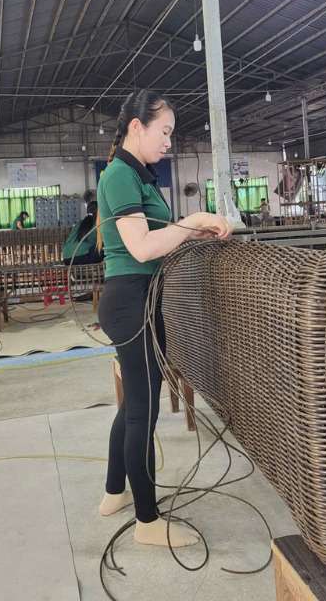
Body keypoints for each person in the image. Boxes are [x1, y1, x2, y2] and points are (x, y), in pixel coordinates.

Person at [95, 90, 232, 547]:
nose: (169, 141)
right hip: (130, 301)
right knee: (144, 410)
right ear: (137, 126)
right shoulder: (119, 176)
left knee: (136, 402)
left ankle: (115, 492)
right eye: (164, 131)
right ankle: (147, 523)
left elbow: (157, 242)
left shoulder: (139, 176)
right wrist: (194, 219)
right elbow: (142, 248)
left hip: (142, 297)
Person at [62, 201, 103, 266]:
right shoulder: (97, 225)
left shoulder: (79, 224)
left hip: (66, 258)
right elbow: (101, 243)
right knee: (103, 247)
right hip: (82, 258)